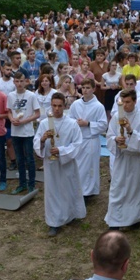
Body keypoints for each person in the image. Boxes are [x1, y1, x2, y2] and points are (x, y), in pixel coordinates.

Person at [105, 89, 140, 229]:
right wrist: (115, 140)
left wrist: (130, 131)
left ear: (135, 102)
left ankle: (134, 219)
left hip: (137, 161)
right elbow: (109, 136)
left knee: (136, 191)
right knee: (117, 189)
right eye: (122, 102)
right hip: (123, 159)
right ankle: (115, 221)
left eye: (128, 102)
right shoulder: (116, 117)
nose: (125, 105)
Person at [35, 93, 86, 236]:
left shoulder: (71, 124)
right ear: (50, 106)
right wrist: (43, 140)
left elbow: (77, 144)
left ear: (65, 106)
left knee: (69, 188)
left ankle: (71, 215)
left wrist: (61, 151)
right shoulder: (44, 123)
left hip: (66, 163)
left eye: (59, 106)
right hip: (51, 165)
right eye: (54, 105)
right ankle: (54, 222)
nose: (56, 109)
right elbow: (36, 142)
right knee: (53, 192)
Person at [68, 78, 108, 198]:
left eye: (88, 88)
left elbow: (103, 125)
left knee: (89, 167)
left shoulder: (98, 106)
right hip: (78, 140)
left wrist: (88, 123)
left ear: (93, 89)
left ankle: (88, 192)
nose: (85, 91)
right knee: (78, 166)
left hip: (91, 139)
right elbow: (69, 119)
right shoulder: (76, 104)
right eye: (83, 88)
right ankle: (78, 190)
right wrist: (75, 122)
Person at [7, 71, 40, 194]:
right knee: (19, 159)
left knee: (29, 159)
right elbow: (9, 111)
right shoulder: (11, 96)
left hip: (27, 132)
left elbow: (37, 113)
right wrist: (11, 119)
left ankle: (32, 183)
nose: (19, 83)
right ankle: (22, 183)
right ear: (14, 82)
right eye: (17, 81)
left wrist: (24, 121)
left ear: (25, 81)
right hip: (16, 132)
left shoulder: (31, 95)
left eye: (21, 81)